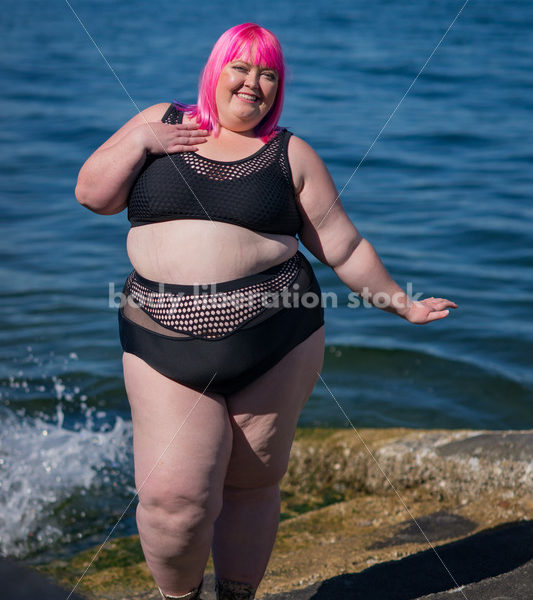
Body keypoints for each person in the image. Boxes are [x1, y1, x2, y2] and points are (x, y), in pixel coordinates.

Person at [75, 22, 457, 600]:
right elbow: (93, 195)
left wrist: (403, 306)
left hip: (275, 337)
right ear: (215, 70)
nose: (253, 84)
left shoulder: (290, 154)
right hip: (161, 338)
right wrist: (141, 142)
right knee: (173, 500)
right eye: (242, 67)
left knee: (253, 486)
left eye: (268, 74)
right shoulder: (162, 122)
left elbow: (344, 247)